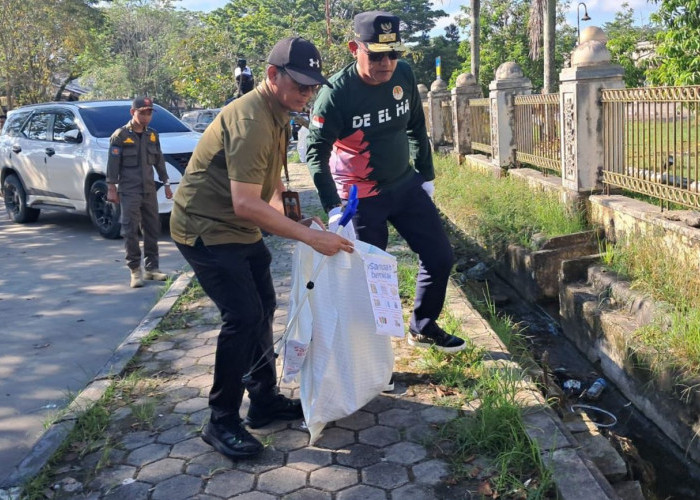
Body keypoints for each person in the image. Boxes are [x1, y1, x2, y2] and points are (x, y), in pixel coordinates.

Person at [169, 36, 353, 459]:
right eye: (300, 84)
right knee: (243, 316)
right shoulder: (251, 118)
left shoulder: (278, 112)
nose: (307, 93)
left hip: (239, 227)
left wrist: (294, 219)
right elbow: (245, 203)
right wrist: (310, 237)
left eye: (313, 86)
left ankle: (264, 400)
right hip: (205, 228)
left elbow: (265, 186)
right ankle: (221, 421)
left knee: (263, 307)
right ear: (273, 75)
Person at [306, 11, 466, 353]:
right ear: (355, 49)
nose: (387, 63)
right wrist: (332, 206)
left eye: (393, 53)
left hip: (405, 184)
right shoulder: (336, 93)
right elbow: (315, 152)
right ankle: (372, 356)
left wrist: (426, 175)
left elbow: (416, 125)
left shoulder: (403, 75)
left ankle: (423, 327)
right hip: (359, 195)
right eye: (377, 55)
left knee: (439, 256)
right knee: (371, 277)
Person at [106, 96, 172, 288]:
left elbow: (159, 160)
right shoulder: (120, 135)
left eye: (149, 113)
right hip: (129, 190)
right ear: (132, 112)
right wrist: (111, 188)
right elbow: (113, 164)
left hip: (149, 189)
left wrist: (166, 183)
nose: (146, 117)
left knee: (152, 227)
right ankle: (135, 270)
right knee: (130, 229)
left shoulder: (152, 135)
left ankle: (152, 268)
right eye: (142, 113)